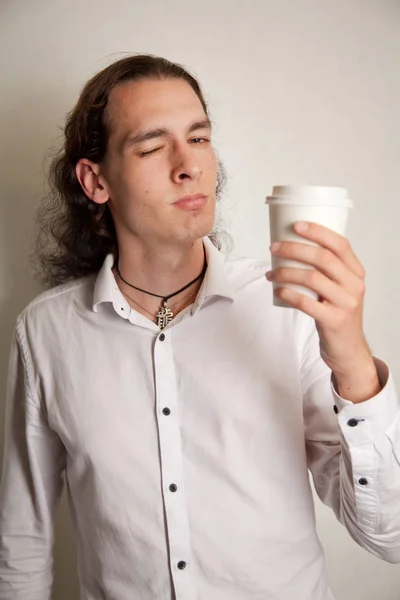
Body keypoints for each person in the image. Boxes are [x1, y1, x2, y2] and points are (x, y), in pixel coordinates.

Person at [0, 54, 399, 600]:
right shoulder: (45, 334)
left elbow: (390, 537)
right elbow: (22, 543)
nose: (189, 165)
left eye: (199, 137)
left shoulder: (290, 310)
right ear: (96, 180)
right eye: (151, 146)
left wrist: (352, 358)